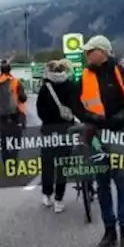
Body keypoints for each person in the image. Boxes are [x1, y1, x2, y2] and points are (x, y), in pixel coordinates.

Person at [71, 35, 124, 247]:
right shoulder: (83, 77)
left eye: (89, 51)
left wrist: (120, 118)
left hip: (121, 132)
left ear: (102, 52)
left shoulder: (122, 73)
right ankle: (109, 231)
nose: (86, 55)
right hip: (96, 134)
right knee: (102, 182)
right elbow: (75, 105)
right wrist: (91, 120)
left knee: (122, 182)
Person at [36, 59, 77, 213]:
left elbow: (40, 110)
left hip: (48, 130)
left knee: (48, 164)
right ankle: (59, 199)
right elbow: (77, 106)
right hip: (67, 130)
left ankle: (47, 194)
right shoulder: (71, 86)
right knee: (63, 165)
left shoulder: (45, 88)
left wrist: (48, 120)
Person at [0, 61, 28, 161]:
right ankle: (13, 160)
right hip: (16, 115)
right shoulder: (15, 82)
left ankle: (6, 161)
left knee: (4, 141)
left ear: (1, 70)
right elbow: (23, 98)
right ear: (10, 70)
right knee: (16, 140)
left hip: (1, 116)